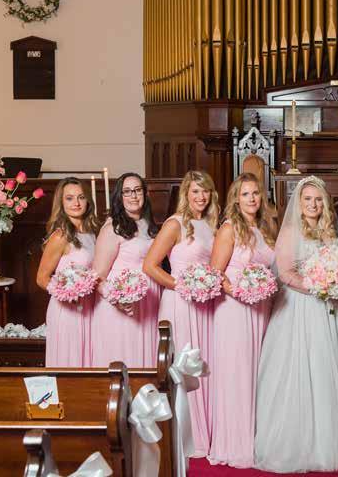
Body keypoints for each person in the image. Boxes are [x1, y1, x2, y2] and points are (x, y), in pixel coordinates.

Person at [254, 176, 338, 472]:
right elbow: (285, 274)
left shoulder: (331, 231)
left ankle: (334, 436)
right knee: (303, 368)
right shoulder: (290, 231)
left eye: (318, 199)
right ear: (299, 202)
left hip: (333, 308)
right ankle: (300, 441)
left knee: (332, 368)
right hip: (300, 308)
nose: (313, 204)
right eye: (307, 199)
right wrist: (321, 287)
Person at [143, 170, 218, 456]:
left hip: (205, 302)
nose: (201, 197)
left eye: (205, 191)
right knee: (184, 364)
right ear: (186, 194)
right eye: (195, 191)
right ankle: (187, 435)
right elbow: (150, 265)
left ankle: (207, 430)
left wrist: (205, 287)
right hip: (180, 302)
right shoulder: (175, 224)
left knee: (205, 363)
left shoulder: (211, 225)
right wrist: (181, 286)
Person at [207, 173, 277, 467]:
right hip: (234, 310)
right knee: (237, 373)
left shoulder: (265, 228)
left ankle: (256, 439)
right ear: (236, 199)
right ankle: (234, 443)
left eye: (255, 193)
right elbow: (215, 272)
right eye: (245, 194)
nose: (251, 199)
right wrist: (239, 292)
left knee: (257, 372)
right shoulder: (229, 229)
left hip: (261, 309)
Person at [90, 173, 161, 367]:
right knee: (125, 359)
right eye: (127, 191)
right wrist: (118, 300)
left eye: (138, 190)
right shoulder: (112, 228)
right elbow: (98, 276)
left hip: (148, 303)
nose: (133, 196)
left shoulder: (149, 225)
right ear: (119, 197)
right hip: (121, 308)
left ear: (145, 193)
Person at [36, 178, 100, 367]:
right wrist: (66, 293)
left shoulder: (92, 233)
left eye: (81, 197)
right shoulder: (61, 235)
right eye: (70, 198)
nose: (76, 203)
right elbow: (41, 278)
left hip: (90, 306)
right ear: (61, 203)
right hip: (67, 310)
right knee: (70, 361)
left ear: (88, 201)